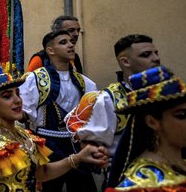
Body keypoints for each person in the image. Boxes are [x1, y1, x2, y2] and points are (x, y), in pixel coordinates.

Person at [18, 29, 99, 192]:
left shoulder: (85, 83)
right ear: (50, 50)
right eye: (63, 42)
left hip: (75, 143)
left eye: (72, 41)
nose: (71, 45)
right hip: (47, 144)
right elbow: (24, 113)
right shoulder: (35, 79)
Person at [66, 34, 160, 170]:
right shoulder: (108, 99)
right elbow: (89, 144)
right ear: (125, 62)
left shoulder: (167, 92)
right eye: (146, 55)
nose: (156, 59)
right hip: (127, 178)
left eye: (156, 53)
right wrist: (99, 156)